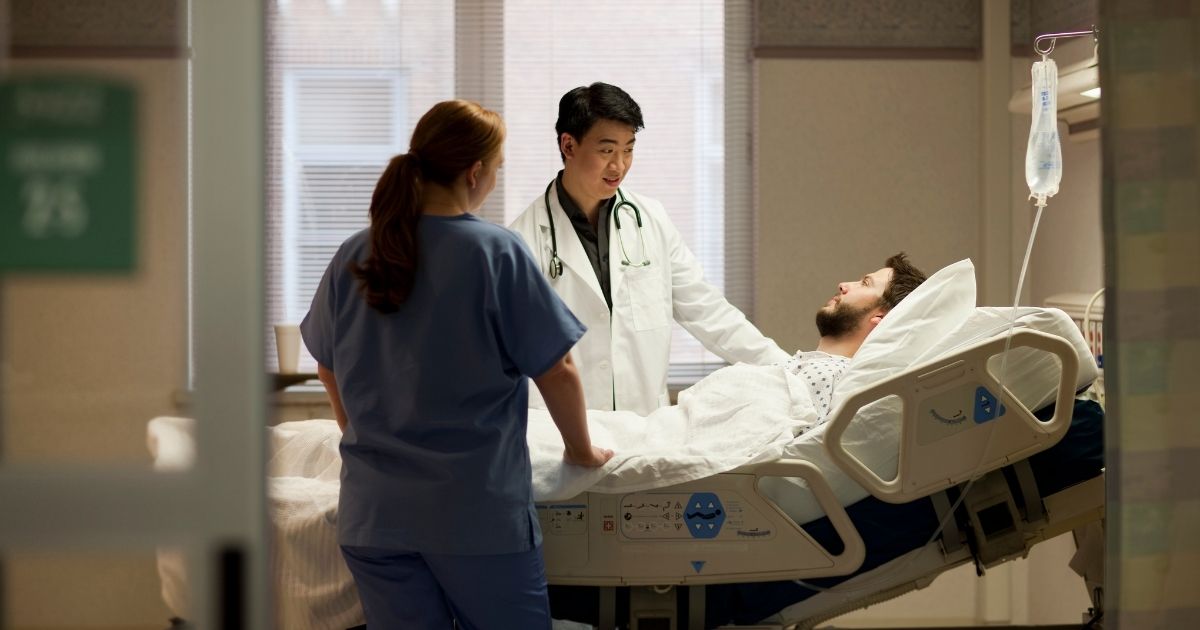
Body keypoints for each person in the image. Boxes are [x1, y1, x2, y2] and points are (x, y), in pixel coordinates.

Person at [300, 100, 613, 630]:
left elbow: (325, 363)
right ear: (475, 173)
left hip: (374, 517)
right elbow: (556, 369)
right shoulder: (496, 253)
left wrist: (359, 430)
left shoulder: (356, 253)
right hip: (474, 519)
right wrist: (581, 451)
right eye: (497, 167)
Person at [509, 82, 788, 415]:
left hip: (643, 425)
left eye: (628, 149)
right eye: (606, 150)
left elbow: (708, 311)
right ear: (568, 145)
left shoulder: (650, 220)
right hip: (563, 433)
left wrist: (788, 369)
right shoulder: (523, 240)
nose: (620, 166)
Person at [783, 252, 928, 416]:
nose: (843, 285)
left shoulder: (826, 374)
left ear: (880, 317)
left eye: (865, 283)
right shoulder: (803, 366)